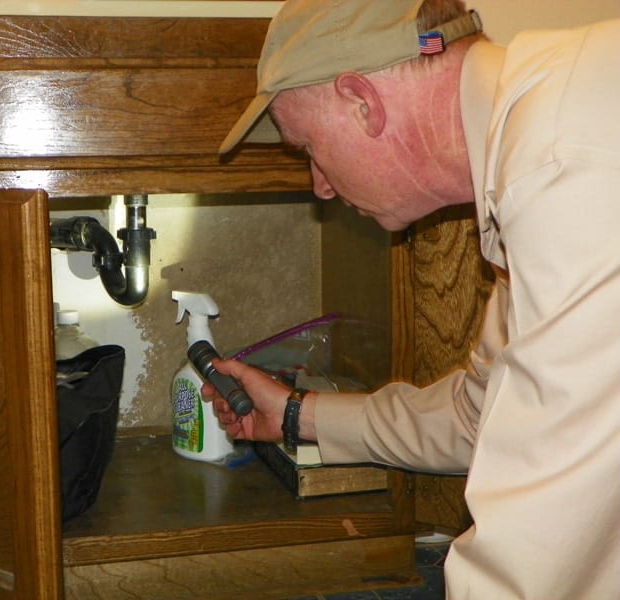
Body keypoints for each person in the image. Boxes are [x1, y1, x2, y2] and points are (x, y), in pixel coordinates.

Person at [207, 1, 620, 598]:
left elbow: (550, 529)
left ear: (362, 102)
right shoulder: (535, 146)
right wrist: (296, 415)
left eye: (308, 150)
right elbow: (483, 417)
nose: (319, 186)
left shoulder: (559, 165)